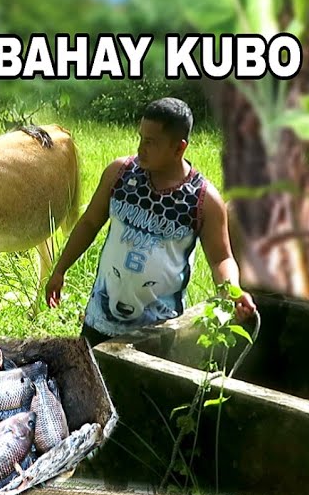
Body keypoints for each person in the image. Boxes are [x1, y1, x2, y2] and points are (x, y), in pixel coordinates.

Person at [45, 97, 257, 346]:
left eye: (150, 142)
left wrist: (233, 292)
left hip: (158, 333)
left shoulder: (203, 200)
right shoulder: (120, 174)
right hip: (101, 318)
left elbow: (221, 258)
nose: (140, 148)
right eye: (140, 138)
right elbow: (90, 222)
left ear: (179, 148)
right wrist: (60, 269)